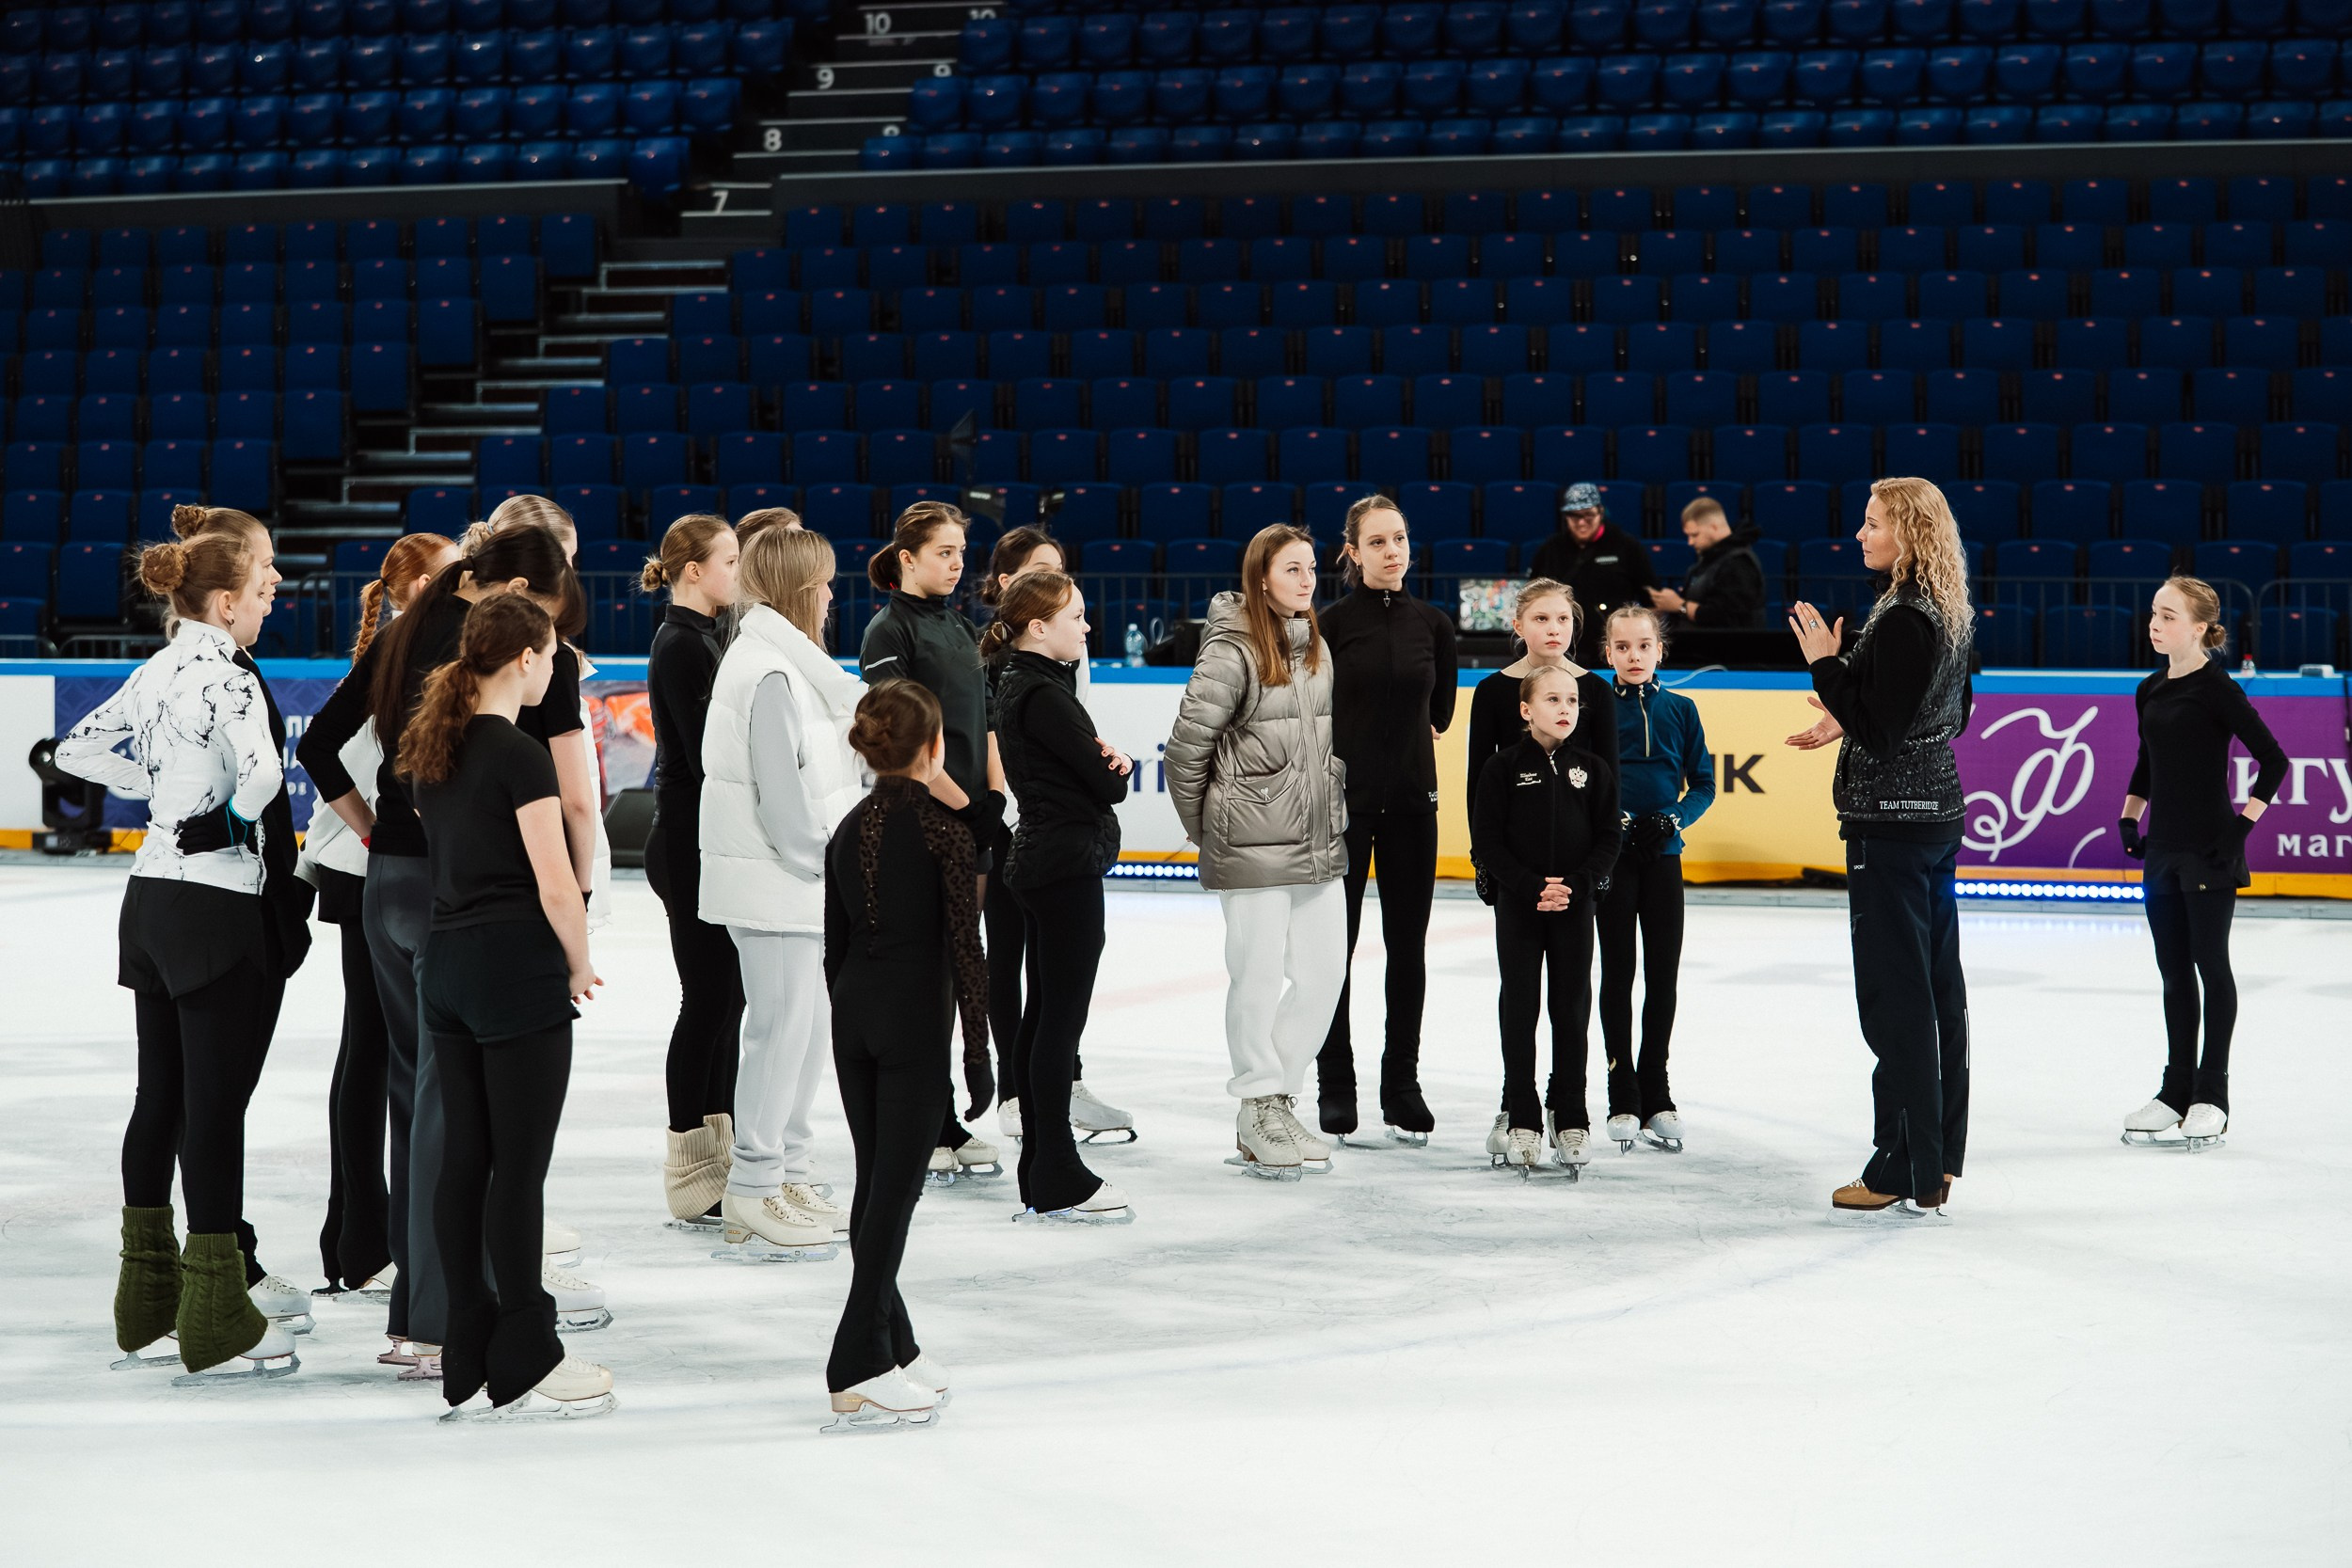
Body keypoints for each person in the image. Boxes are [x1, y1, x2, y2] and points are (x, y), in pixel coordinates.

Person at [296, 523, 589, 1377]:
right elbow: (565, 804)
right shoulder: (502, 652)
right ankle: (435, 1318)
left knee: (417, 1097)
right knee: (451, 1114)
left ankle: (427, 1304)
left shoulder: (402, 629)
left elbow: (319, 744)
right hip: (451, 894)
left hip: (386, 881)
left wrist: (375, 829)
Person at [56, 524, 307, 1384]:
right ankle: (215, 1315)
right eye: (264, 581)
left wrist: (158, 794)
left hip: (149, 902)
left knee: (157, 1098)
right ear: (226, 599)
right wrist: (228, 819)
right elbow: (268, 777)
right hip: (214, 905)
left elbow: (75, 750)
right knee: (215, 1110)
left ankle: (146, 1303)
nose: (276, 589)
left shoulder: (156, 667)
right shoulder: (227, 676)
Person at [399, 593, 614, 1421]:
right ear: (524, 656)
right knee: (518, 1170)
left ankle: (468, 1338)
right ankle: (527, 1345)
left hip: (446, 966)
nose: (557, 667)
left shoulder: (433, 746)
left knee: (467, 1161)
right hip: (511, 969)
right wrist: (580, 959)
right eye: (554, 653)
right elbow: (555, 880)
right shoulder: (521, 754)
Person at [1787, 476, 1976, 1222]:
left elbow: (1882, 727)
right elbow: (1950, 711)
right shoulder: (1948, 609)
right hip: (1935, 820)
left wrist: (1826, 669)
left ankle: (1902, 1166)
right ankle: (1938, 1162)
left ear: (1909, 533)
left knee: (1896, 1005)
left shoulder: (1901, 616)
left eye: (1872, 524)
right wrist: (1848, 711)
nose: (1860, 535)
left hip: (1891, 830)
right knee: (1938, 998)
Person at [820, 681, 995, 1432]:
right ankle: (855, 1362)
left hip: (854, 1013)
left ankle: (896, 1338)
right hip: (912, 1021)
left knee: (876, 1182)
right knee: (895, 1192)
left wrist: (854, 1014)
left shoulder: (846, 828)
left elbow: (834, 945)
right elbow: (966, 949)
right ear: (934, 748)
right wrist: (979, 1054)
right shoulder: (944, 834)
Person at [301, 531, 459, 1301]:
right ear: (427, 582)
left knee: (373, 1052)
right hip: (376, 866)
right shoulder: (416, 650)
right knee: (381, 1056)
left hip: (370, 868)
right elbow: (329, 750)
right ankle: (366, 1237)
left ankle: (362, 1236)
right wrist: (372, 826)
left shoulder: (400, 644)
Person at [699, 526, 865, 1259]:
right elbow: (782, 798)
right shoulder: (765, 670)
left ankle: (785, 1172)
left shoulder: (788, 665)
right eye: (824, 582)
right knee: (778, 1029)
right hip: (776, 881)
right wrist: (830, 868)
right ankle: (755, 1183)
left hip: (795, 883)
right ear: (801, 588)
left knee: (802, 1028)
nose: (832, 594)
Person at [1165, 524, 1348, 1182]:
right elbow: (1185, 751)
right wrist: (1210, 829)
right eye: (1293, 569)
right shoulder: (1232, 648)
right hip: (1249, 842)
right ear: (1261, 577)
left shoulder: (1314, 646)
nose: (1307, 580)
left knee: (1325, 973)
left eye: (1311, 568)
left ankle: (1275, 1097)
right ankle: (1254, 1101)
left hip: (1317, 838)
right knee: (1258, 975)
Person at [858, 502, 1008, 1184]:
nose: (956, 563)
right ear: (906, 558)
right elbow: (904, 739)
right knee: (927, 974)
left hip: (967, 819)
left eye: (959, 551)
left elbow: (985, 722)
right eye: (942, 552)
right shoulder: (888, 630)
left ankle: (942, 1110)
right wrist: (965, 806)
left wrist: (993, 800)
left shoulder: (959, 624)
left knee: (955, 967)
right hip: (922, 820)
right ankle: (929, 1114)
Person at [981, 570, 1136, 1224]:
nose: (1087, 625)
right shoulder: (1041, 692)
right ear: (1038, 626)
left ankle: (1043, 1161)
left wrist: (1108, 766)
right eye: (1076, 616)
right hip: (1062, 863)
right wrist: (1113, 767)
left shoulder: (1028, 684)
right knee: (1057, 1021)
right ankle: (1055, 1166)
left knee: (1045, 1015)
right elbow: (1108, 784)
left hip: (1048, 860)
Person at [2118, 576, 2287, 1151]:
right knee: (2172, 973)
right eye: (2153, 614)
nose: (2154, 624)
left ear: (2198, 627)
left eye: (2167, 616)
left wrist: (2242, 827)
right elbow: (2147, 761)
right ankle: (2176, 1090)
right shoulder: (2150, 689)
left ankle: (2212, 1092)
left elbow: (2274, 761)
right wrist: (2129, 816)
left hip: (2211, 849)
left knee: (2211, 967)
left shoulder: (2218, 688)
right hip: (2162, 849)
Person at [1313, 496, 1458, 1145]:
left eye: (1399, 537)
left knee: (1407, 950)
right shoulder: (1332, 623)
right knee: (1332, 952)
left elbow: (1444, 714)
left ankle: (1402, 1085)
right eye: (1377, 542)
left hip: (1411, 807)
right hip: (1341, 808)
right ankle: (1334, 1084)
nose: (1392, 550)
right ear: (1352, 551)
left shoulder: (1435, 624)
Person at [1471, 666, 1622, 1176]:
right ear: (1525, 709)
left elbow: (1608, 837)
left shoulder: (1594, 769)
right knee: (1520, 1007)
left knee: (1571, 1007)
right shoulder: (1502, 768)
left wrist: (1576, 886)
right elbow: (1487, 838)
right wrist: (1530, 886)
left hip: (1575, 907)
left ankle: (1572, 1115)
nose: (1564, 709)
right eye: (1552, 699)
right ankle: (1523, 1117)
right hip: (1520, 906)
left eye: (1573, 701)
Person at [640, 515, 746, 1227]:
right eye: (730, 560)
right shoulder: (681, 644)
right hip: (685, 844)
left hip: (709, 838)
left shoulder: (712, 635)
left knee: (728, 1001)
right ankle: (689, 1164)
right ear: (692, 571)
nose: (738, 572)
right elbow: (713, 748)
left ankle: (721, 1155)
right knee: (708, 999)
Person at [1597, 606, 1714, 1155]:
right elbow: (1587, 778)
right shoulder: (1596, 708)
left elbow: (1705, 785)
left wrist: (1674, 818)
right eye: (1623, 648)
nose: (1634, 656)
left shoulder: (1682, 709)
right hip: (1613, 859)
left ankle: (1657, 1091)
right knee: (1618, 972)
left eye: (1643, 646)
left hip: (1664, 857)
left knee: (1662, 975)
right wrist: (1614, 820)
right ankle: (1622, 1091)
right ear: (1608, 654)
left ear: (1659, 650)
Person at [1465, 578, 1620, 866]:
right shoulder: (1491, 690)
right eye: (1541, 618)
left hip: (1580, 849)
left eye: (1563, 619)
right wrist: (1484, 854)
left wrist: (1603, 863)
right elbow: (1479, 780)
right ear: (1518, 627)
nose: (1554, 628)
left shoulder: (1596, 689)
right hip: (1512, 850)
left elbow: (1609, 780)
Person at [1525, 483, 1657, 664]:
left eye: (1588, 515)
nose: (1581, 522)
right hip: (1559, 648)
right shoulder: (1550, 549)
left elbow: (1651, 601)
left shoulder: (1626, 546)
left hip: (1612, 649)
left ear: (1600, 512)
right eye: (1574, 516)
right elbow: (1530, 600)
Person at [1648, 496, 1766, 630]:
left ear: (1714, 527)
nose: (1690, 542)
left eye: (1695, 535)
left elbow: (1727, 617)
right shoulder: (1708, 561)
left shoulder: (1739, 563)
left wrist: (1679, 605)